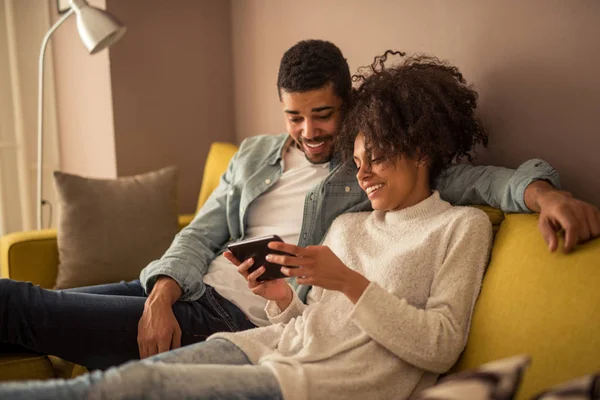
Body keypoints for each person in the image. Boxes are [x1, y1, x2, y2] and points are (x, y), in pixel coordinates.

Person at [0, 40, 598, 371]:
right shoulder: (255, 155)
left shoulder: (369, 169)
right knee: (32, 314)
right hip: (182, 290)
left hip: (238, 320)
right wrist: (160, 293)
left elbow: (480, 181)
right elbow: (202, 233)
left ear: (350, 105)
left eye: (323, 115)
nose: (308, 131)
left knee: (23, 309)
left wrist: (543, 191)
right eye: (294, 116)